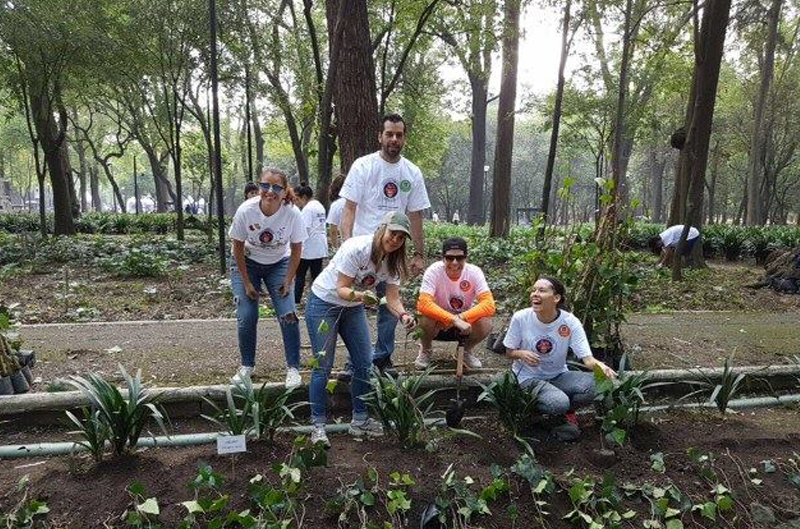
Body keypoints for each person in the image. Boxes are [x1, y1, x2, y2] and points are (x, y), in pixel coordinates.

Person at [305, 211, 418, 447]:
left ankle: (360, 419)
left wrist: (404, 316)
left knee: (364, 361)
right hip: (325, 303)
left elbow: (393, 299)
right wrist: (362, 296)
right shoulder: (356, 248)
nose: (395, 240)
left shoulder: (393, 262)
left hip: (353, 306)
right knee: (323, 365)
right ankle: (317, 426)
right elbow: (342, 288)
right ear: (382, 229)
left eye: (401, 237)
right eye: (393, 233)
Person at [339, 113, 431, 373]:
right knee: (352, 305)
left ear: (404, 138)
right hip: (363, 249)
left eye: (398, 135)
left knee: (390, 305)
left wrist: (418, 254)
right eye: (389, 133)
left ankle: (382, 357)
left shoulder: (411, 172)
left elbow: (415, 215)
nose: (393, 139)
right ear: (380, 136)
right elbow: (349, 208)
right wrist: (347, 245)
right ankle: (354, 360)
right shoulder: (363, 166)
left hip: (393, 249)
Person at [503, 276, 617, 441]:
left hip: (558, 375)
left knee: (597, 385)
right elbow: (508, 352)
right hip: (528, 378)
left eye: (541, 290)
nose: (535, 294)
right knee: (559, 402)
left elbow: (587, 359)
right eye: (534, 290)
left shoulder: (570, 322)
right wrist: (521, 353)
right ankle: (532, 414)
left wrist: (601, 367)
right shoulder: (521, 318)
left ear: (556, 298)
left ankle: (562, 414)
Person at [229, 168, 307, 389]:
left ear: (284, 192)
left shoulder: (292, 214)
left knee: (288, 313)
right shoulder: (246, 210)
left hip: (279, 264)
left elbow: (297, 249)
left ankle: (293, 368)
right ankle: (247, 366)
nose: (269, 191)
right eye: (265, 185)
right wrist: (246, 282)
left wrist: (288, 280)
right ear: (259, 187)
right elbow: (237, 247)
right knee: (247, 314)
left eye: (276, 187)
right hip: (247, 263)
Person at [415, 237, 495, 370]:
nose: (455, 262)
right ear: (443, 258)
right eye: (449, 258)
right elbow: (423, 303)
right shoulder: (434, 271)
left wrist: (460, 318)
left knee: (486, 321)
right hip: (437, 325)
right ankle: (426, 349)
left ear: (466, 258)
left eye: (460, 258)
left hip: (464, 326)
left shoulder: (474, 272)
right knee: (423, 315)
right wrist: (451, 319)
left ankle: (465, 351)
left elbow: (489, 305)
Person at [294, 182, 328, 304]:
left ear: (304, 197)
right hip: (319, 247)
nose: (296, 202)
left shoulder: (308, 209)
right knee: (316, 276)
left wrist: (296, 245)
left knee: (300, 275)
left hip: (308, 248)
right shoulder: (319, 206)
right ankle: (318, 299)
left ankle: (296, 300)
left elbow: (304, 229)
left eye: (297, 199)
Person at [326, 173, 346, 250]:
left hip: (345, 243)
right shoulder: (356, 202)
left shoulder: (336, 205)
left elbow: (333, 230)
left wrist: (335, 248)